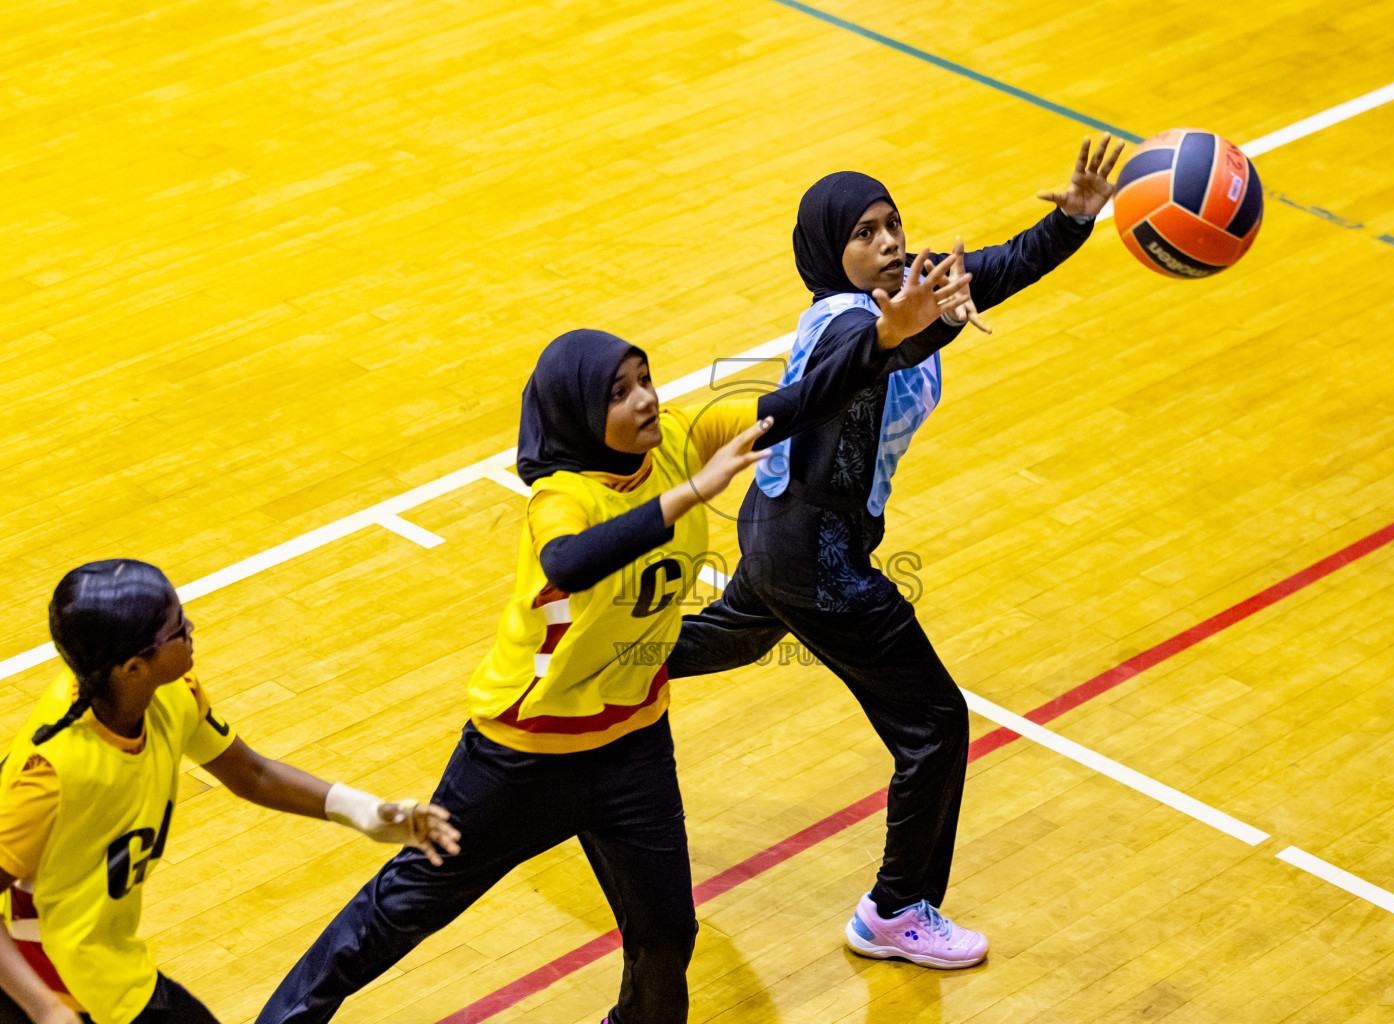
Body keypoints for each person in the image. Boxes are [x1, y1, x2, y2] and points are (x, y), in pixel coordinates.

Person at [257, 260, 975, 1024]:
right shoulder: (563, 501)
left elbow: (797, 403)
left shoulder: (681, 440)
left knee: (668, 937)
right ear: (574, 415)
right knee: (402, 911)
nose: (645, 399)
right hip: (522, 755)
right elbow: (567, 564)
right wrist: (688, 496)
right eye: (619, 392)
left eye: (645, 379)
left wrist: (885, 340)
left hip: (633, 744)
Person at [666, 135, 1125, 969]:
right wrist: (915, 330)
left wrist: (1073, 224)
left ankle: (590, 670)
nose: (887, 242)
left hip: (776, 535)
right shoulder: (852, 324)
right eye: (865, 233)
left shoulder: (906, 292)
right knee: (937, 725)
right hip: (819, 557)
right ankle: (894, 911)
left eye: (892, 224)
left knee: (731, 638)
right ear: (828, 255)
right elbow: (873, 353)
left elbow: (990, 268)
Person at [0, 559, 459, 1024]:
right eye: (178, 629)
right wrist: (43, 1008)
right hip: (44, 980)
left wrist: (369, 814)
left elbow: (251, 774)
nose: (191, 629)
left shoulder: (171, 694)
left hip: (105, 962)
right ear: (135, 667)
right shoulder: (48, 772)